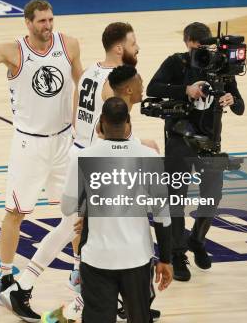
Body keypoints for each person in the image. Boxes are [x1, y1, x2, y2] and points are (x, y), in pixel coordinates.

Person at [0, 0, 83, 320]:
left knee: (79, 211)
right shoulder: (12, 51)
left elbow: (84, 85)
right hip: (29, 144)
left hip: (65, 141)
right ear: (27, 23)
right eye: (41, 21)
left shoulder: (70, 44)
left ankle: (79, 272)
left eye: (51, 20)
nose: (48, 26)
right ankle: (5, 277)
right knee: (15, 212)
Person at [42, 65, 162, 323]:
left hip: (100, 251)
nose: (144, 84)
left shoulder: (100, 145)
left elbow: (72, 204)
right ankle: (78, 286)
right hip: (132, 253)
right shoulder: (140, 151)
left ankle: (79, 284)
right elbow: (161, 211)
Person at [146, 22, 245, 282]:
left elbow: (240, 106)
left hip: (211, 139)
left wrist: (232, 99)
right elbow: (152, 89)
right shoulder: (176, 63)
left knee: (212, 197)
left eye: (205, 45)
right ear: (186, 41)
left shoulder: (220, 65)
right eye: (196, 45)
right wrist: (184, 90)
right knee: (175, 197)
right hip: (180, 137)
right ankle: (177, 254)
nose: (201, 50)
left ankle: (197, 240)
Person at [61, 97, 173, 323]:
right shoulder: (149, 156)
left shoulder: (83, 157)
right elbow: (163, 215)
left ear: (100, 124)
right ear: (128, 124)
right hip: (137, 257)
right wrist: (166, 259)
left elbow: (67, 206)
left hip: (97, 258)